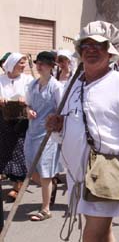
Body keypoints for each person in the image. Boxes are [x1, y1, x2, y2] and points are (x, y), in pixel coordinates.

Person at [46, 21, 119, 242]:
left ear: (110, 52)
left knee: (92, 236)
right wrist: (57, 128)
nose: (90, 50)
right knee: (102, 235)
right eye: (85, 45)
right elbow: (69, 130)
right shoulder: (73, 85)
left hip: (106, 174)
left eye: (98, 45)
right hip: (78, 178)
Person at [24, 51, 64, 221]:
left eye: (43, 63)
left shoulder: (56, 87)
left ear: (51, 67)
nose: (39, 66)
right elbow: (27, 105)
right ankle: (50, 186)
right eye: (37, 63)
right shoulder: (32, 85)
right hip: (32, 132)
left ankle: (45, 209)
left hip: (48, 135)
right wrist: (28, 111)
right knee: (31, 171)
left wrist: (55, 122)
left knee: (45, 171)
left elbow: (62, 110)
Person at [0, 53, 33, 201]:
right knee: (5, 152)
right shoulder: (1, 80)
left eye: (24, 62)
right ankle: (8, 176)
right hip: (4, 119)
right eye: (20, 63)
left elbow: (34, 96)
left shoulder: (28, 80)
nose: (23, 65)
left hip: (21, 121)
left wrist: (26, 98)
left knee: (19, 151)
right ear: (12, 64)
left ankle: (17, 185)